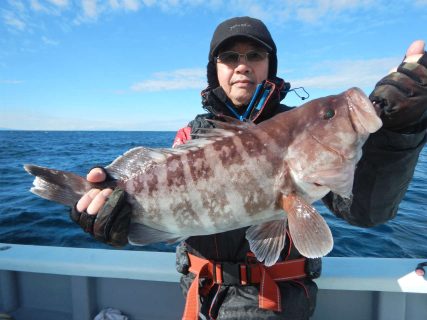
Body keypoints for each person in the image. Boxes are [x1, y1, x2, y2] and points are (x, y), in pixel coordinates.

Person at [70, 17, 427, 320]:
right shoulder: (191, 135)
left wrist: (400, 131)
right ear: (216, 69)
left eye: (255, 55)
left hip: (279, 304)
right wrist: (112, 216)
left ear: (270, 65)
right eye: (230, 57)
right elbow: (157, 204)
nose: (243, 65)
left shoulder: (296, 128)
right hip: (201, 298)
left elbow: (366, 211)